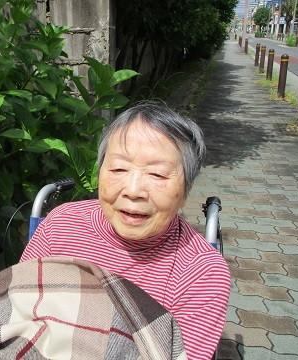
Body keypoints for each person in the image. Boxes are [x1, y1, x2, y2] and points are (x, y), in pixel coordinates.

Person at [20, 102, 231, 360]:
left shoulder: (202, 272)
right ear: (100, 173)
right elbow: (18, 306)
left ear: (185, 192)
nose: (133, 190)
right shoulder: (60, 225)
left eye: (157, 174)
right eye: (119, 169)